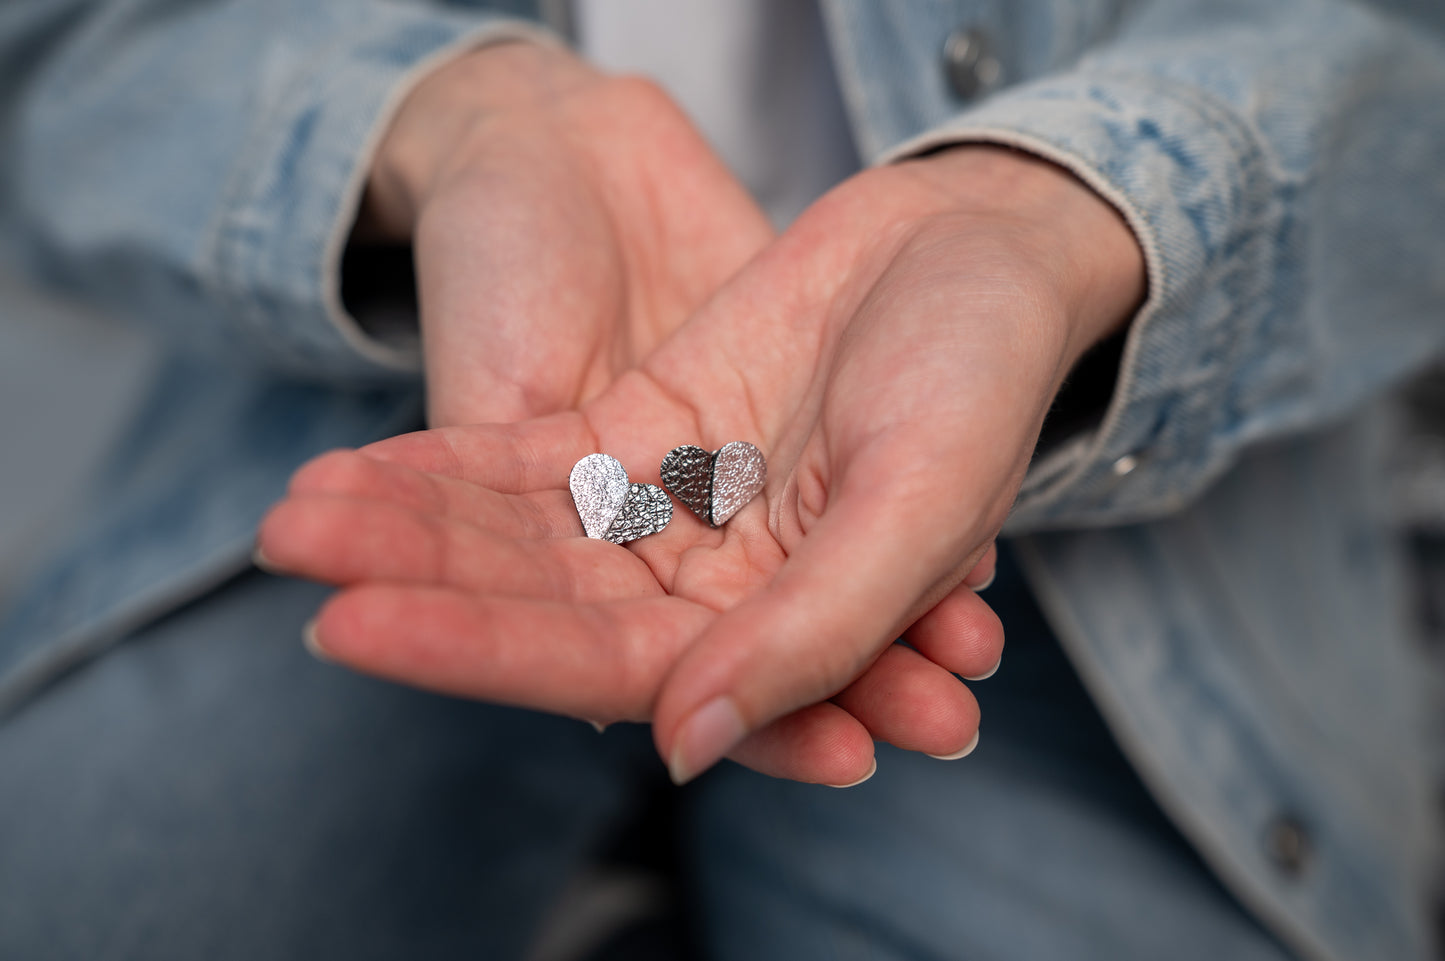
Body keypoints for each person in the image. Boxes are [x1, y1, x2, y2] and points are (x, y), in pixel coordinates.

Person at [2, 1, 1442, 959]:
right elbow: (58, 52)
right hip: (387, 408)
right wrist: (444, 123)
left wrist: (1069, 214)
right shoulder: (661, 468)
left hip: (1119, 510)